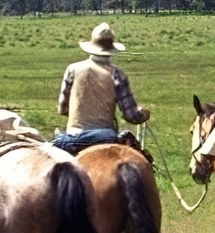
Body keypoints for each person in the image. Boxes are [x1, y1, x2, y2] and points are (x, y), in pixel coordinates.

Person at [54, 22, 149, 154]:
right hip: (106, 137)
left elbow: (62, 109)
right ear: (111, 49)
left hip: (73, 137)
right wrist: (144, 114)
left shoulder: (72, 69)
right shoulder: (117, 75)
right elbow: (131, 116)